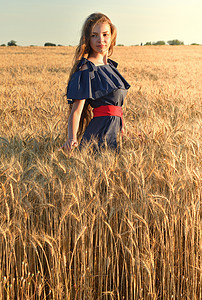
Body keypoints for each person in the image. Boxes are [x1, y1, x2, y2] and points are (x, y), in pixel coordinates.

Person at [62, 12, 130, 152]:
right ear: (88, 39)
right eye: (94, 35)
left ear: (112, 36)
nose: (101, 39)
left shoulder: (110, 67)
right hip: (100, 134)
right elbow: (76, 110)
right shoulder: (87, 69)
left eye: (105, 34)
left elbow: (117, 109)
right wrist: (72, 138)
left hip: (115, 133)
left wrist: (127, 132)